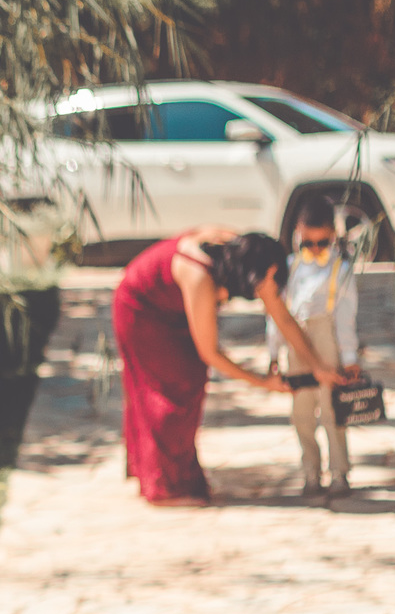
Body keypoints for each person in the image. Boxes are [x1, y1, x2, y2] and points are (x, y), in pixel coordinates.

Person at [113, 227, 347, 507]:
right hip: (141, 310)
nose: (271, 288)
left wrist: (318, 366)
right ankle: (166, 487)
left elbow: (282, 317)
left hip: (172, 308)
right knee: (177, 383)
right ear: (252, 275)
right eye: (269, 281)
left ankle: (161, 472)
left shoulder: (244, 254)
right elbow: (210, 353)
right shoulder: (199, 275)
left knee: (189, 375)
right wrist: (263, 382)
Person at [267, 197, 360, 497]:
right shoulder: (289, 267)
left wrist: (349, 357)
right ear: (298, 234)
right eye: (308, 242)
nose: (315, 249)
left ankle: (339, 473)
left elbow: (346, 318)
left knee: (333, 410)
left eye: (322, 242)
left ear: (333, 235)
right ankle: (310, 472)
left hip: (327, 337)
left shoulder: (341, 269)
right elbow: (277, 314)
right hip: (296, 342)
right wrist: (273, 353)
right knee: (302, 412)